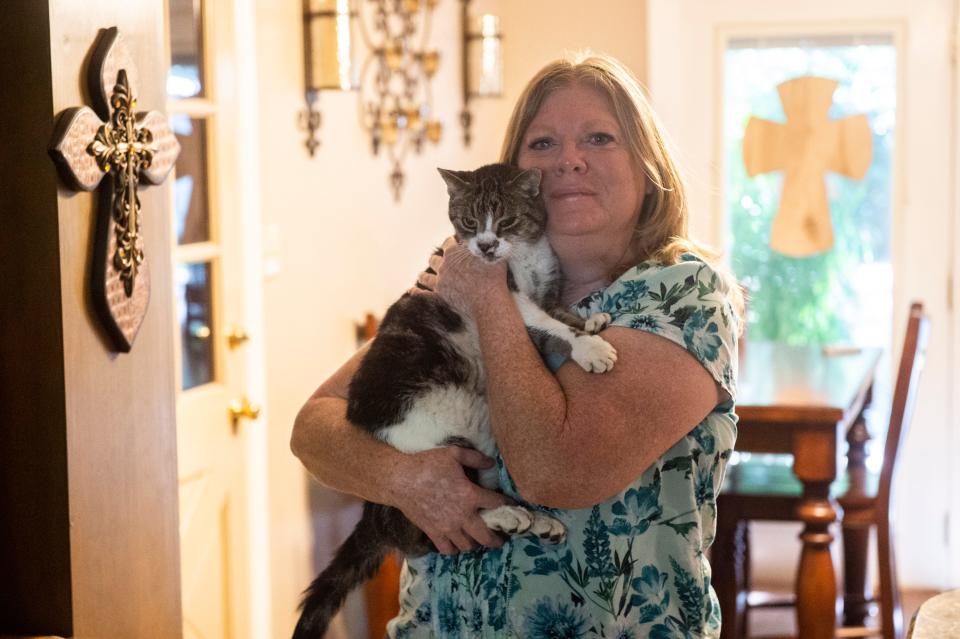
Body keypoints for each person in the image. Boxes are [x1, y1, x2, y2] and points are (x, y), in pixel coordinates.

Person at [291, 52, 743, 638]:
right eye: (543, 144)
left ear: (646, 163)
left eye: (599, 138)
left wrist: (485, 296)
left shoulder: (682, 293)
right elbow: (313, 429)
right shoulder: (474, 268)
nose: (569, 162)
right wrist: (402, 480)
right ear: (515, 176)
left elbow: (552, 472)